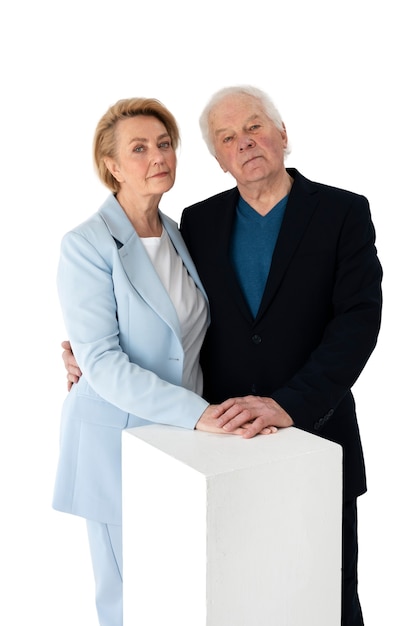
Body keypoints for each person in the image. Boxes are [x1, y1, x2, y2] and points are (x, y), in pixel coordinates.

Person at [62, 85, 383, 625]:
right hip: (216, 445)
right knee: (231, 596)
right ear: (217, 158)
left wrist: (291, 404)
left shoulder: (342, 213)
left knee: (327, 593)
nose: (245, 143)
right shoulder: (202, 222)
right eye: (228, 137)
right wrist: (87, 356)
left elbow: (357, 325)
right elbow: (143, 315)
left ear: (283, 134)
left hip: (315, 433)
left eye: (255, 127)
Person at [52, 96, 276, 626]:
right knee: (128, 602)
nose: (158, 156)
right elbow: (104, 361)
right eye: (138, 148)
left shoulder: (179, 232)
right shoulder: (85, 244)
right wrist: (196, 412)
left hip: (180, 445)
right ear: (110, 165)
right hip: (116, 445)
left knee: (178, 593)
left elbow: (182, 335)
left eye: (164, 143)